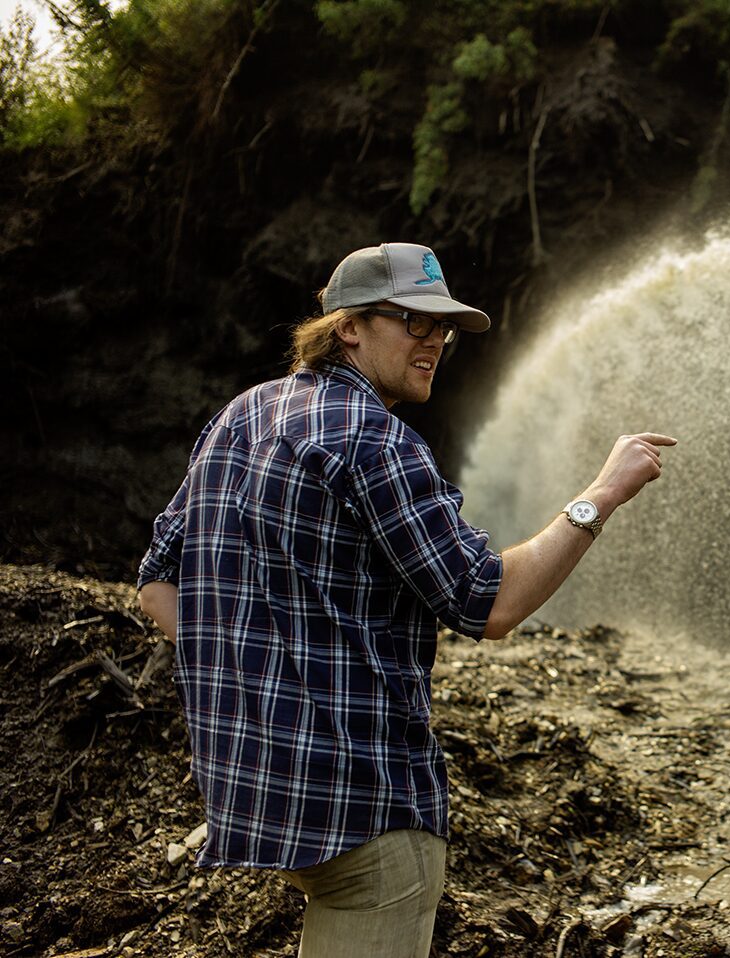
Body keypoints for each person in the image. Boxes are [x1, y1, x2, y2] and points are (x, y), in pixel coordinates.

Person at [136, 242, 675, 957]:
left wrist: (250, 686)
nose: (433, 343)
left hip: (266, 800)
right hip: (370, 815)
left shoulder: (243, 416)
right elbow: (492, 603)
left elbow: (155, 582)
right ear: (347, 327)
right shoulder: (375, 441)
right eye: (412, 323)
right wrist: (602, 493)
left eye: (442, 328)